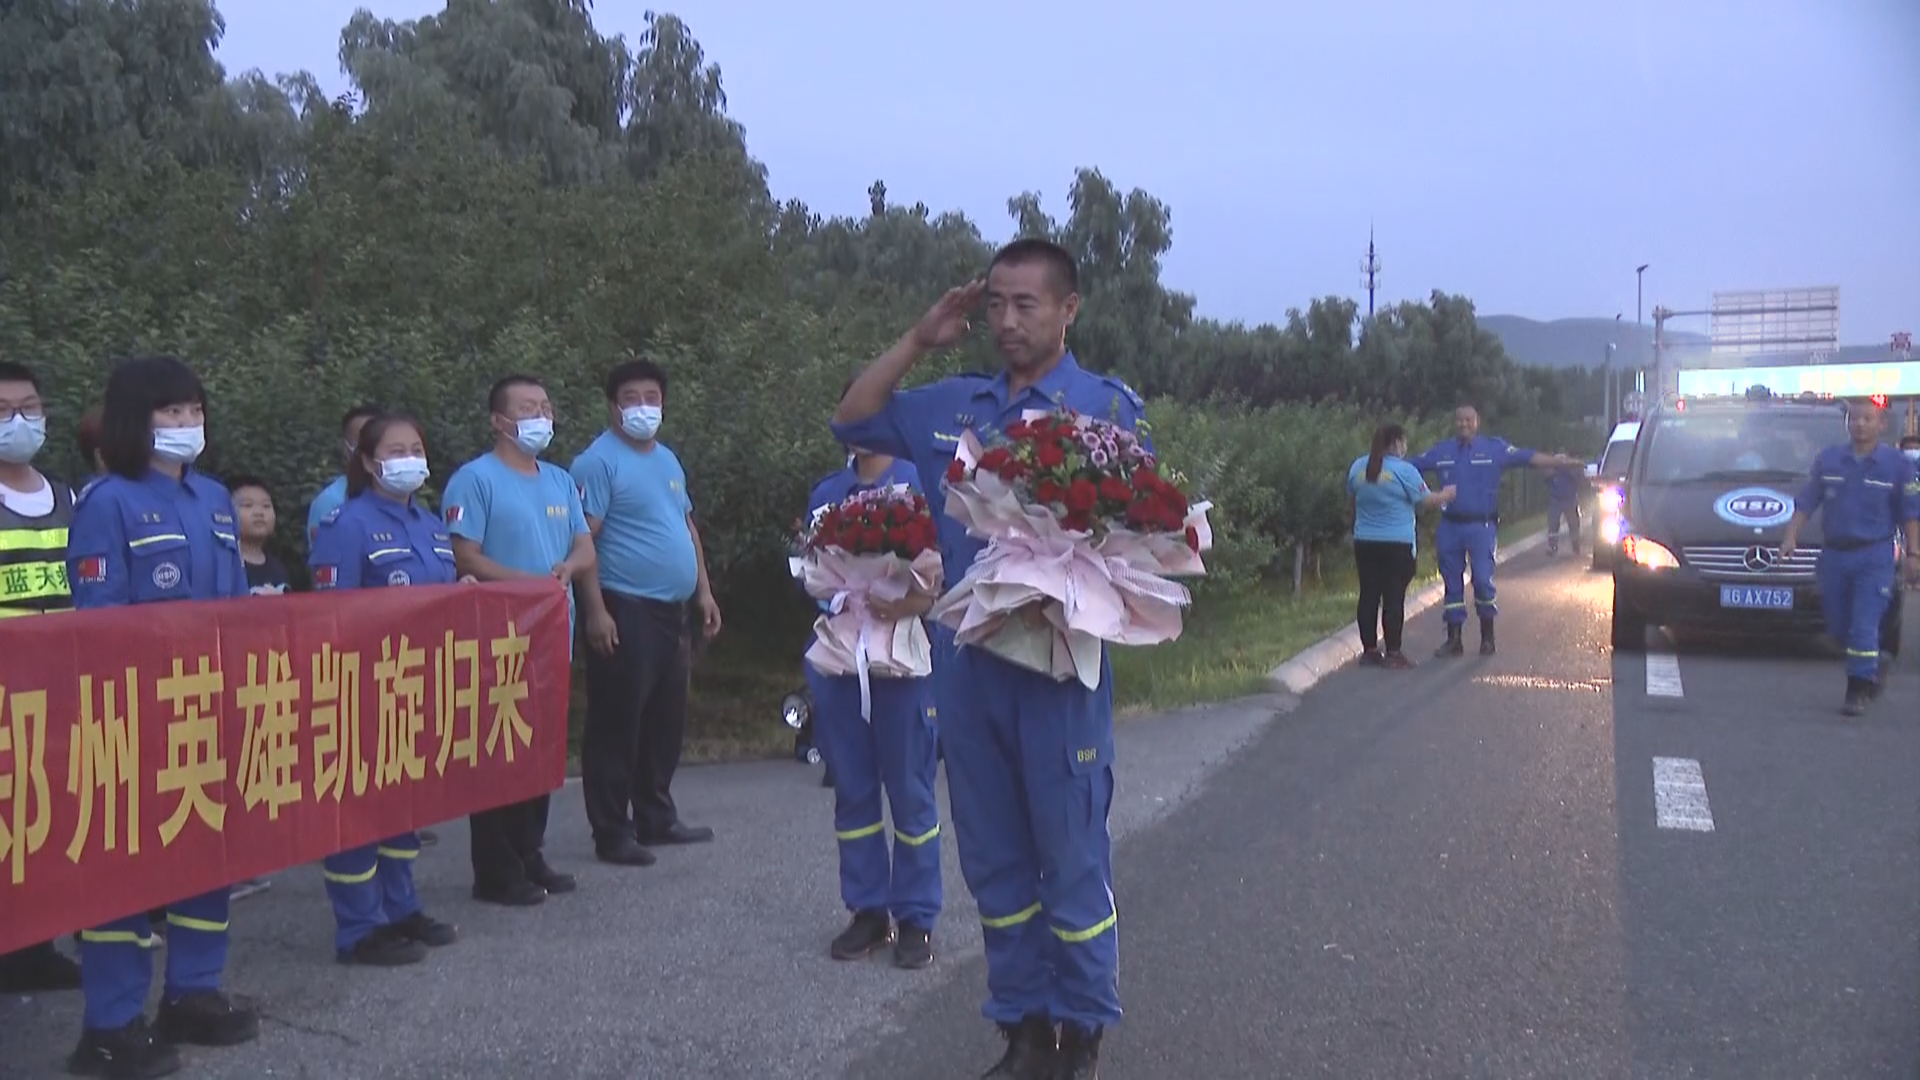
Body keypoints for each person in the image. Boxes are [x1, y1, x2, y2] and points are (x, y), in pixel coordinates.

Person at [832, 239, 1145, 1079]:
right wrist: (918, 338)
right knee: (996, 857)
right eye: (995, 305)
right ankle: (1022, 1029)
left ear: (1068, 308)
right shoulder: (950, 403)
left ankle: (1081, 1032)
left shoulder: (1100, 406)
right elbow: (854, 413)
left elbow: (1133, 531)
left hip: (1055, 667)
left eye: (1026, 305)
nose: (1006, 321)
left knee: (1071, 856)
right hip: (966, 668)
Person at [64, 354, 259, 1076]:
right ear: (132, 421)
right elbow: (98, 623)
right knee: (126, 869)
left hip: (211, 708)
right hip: (137, 716)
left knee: (209, 852)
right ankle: (111, 1024)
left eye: (193, 412)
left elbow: (237, 607)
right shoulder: (107, 501)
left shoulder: (213, 499)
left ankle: (193, 994)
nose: (185, 425)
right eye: (168, 413)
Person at [309, 412, 465, 963]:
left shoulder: (429, 525)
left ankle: (401, 909)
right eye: (394, 451)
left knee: (403, 806)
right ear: (369, 463)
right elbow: (329, 614)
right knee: (357, 809)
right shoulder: (344, 525)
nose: (408, 460)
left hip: (418, 685)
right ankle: (359, 926)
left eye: (415, 448)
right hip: (361, 686)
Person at [442, 374, 595, 906]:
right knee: (497, 748)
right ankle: (496, 867)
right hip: (496, 635)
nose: (541, 417)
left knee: (540, 747)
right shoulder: (474, 480)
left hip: (554, 632)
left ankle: (531, 852)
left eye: (546, 407)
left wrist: (568, 569)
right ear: (499, 420)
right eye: (528, 408)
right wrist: (525, 586)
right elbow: (467, 556)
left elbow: (584, 546)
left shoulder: (557, 479)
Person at [571, 360, 721, 867]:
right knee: (617, 721)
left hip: (671, 609)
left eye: (651, 397)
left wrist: (703, 591)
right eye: (631, 398)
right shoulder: (598, 462)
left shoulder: (667, 460)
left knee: (665, 718)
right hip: (624, 604)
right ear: (613, 406)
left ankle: (656, 814)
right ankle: (611, 829)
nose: (642, 407)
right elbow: (582, 539)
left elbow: (686, 526)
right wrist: (594, 610)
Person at [800, 445, 943, 969]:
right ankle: (866, 909)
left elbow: (943, 570)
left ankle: (916, 916)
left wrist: (909, 602)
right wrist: (837, 595)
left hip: (901, 661)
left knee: (910, 789)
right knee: (853, 790)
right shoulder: (827, 494)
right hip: (841, 660)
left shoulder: (918, 483)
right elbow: (811, 568)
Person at [0, 361, 85, 996]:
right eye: (4, 411)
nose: (19, 421)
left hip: (57, 685)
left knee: (44, 813)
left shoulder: (68, 496)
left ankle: (37, 945)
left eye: (28, 407)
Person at [1778, 399, 1920, 716]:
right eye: (1855, 419)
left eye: (1868, 420)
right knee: (1839, 626)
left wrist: (1914, 553)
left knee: (1863, 624)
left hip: (1875, 556)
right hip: (1836, 557)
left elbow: (1911, 514)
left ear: (1881, 425)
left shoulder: (1897, 466)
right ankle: (1873, 664)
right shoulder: (1829, 460)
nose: (1860, 425)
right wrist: (1791, 537)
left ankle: (1857, 689)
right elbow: (1806, 502)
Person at [1407, 406, 1578, 657]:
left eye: (1468, 420)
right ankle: (1454, 639)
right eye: (1459, 420)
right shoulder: (1441, 451)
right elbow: (1408, 467)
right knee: (1451, 583)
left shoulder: (1493, 448)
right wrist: (1378, 465)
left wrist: (1562, 463)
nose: (1463, 424)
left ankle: (1488, 637)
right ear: (1455, 423)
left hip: (1481, 526)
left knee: (1482, 581)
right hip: (1450, 526)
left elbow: (1528, 457)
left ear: (1477, 422)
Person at [1347, 423, 1456, 670]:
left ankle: (1370, 650)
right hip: (1397, 544)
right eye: (1404, 442)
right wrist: (1447, 494)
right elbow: (1426, 500)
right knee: (1394, 597)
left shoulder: (1358, 467)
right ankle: (1394, 652)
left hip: (1365, 542)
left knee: (1369, 595)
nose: (1406, 447)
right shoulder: (1404, 471)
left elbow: (1352, 497)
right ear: (1396, 443)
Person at [306, 404, 380, 548]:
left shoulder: (400, 496)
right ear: (346, 449)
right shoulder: (331, 501)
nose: (371, 447)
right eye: (363, 440)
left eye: (377, 440)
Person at [228, 475, 290, 595]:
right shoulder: (227, 566)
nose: (259, 513)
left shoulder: (278, 568)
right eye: (247, 505)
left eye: (266, 506)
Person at [1543, 448, 1583, 557]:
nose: (1561, 461)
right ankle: (1552, 546)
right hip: (1555, 499)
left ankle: (1576, 546)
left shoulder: (1573, 467)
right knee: (1553, 524)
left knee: (1574, 523)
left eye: (1563, 459)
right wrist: (1554, 467)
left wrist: (1568, 468)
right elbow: (1546, 477)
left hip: (1570, 499)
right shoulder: (1552, 468)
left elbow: (1579, 478)